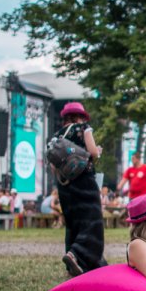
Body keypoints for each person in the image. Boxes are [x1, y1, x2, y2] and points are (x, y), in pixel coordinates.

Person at [53, 102, 107, 276]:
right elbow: (92, 151)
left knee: (73, 225)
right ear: (81, 116)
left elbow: (54, 167)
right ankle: (77, 255)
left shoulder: (57, 136)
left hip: (65, 186)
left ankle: (75, 265)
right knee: (93, 223)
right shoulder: (84, 128)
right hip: (85, 181)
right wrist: (97, 152)